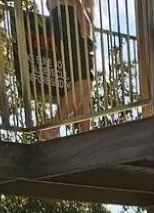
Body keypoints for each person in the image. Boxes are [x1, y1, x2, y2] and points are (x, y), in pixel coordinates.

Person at [40, 0, 93, 137]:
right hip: (74, 36)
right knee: (85, 85)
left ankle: (85, 135)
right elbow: (86, 29)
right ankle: (53, 127)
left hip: (63, 37)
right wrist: (85, 21)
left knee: (81, 90)